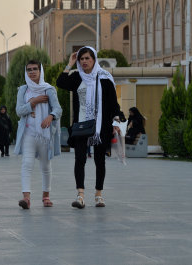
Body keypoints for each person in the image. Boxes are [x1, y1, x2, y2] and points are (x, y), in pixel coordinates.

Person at [56, 46, 121, 209]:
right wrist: (69, 64)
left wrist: (116, 122)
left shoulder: (105, 78)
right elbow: (61, 82)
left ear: (94, 59)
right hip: (81, 126)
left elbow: (113, 103)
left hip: (101, 127)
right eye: (81, 59)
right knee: (80, 159)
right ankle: (80, 195)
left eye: (87, 58)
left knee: (100, 161)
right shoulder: (77, 77)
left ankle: (98, 195)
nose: (84, 61)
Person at [14, 60, 62, 209]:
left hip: (45, 134)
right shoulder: (23, 90)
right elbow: (19, 111)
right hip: (29, 133)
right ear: (26, 72)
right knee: (27, 163)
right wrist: (33, 102)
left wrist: (50, 116)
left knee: (45, 166)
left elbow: (58, 109)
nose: (32, 72)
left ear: (40, 71)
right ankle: (26, 198)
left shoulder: (48, 89)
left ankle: (46, 196)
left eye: (35, 69)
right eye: (29, 70)